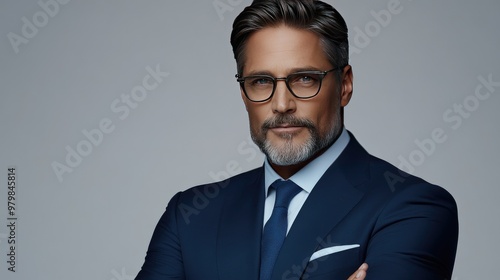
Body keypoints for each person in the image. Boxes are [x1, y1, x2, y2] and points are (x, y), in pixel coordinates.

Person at [135, 0, 459, 279]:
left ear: (344, 85)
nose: (281, 104)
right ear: (243, 91)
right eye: (261, 81)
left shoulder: (414, 208)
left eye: (305, 79)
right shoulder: (190, 215)